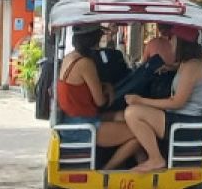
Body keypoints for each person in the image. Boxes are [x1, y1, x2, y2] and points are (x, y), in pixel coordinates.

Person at [123, 25, 202, 172]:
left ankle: (156, 159)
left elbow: (176, 102)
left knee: (133, 113)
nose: (170, 43)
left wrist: (140, 100)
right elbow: (181, 71)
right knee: (128, 117)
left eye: (172, 39)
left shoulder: (192, 67)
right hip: (180, 118)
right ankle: (142, 159)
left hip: (184, 123)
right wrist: (169, 68)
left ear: (181, 42)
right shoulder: (189, 63)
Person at [56, 24, 141, 170]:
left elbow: (79, 87)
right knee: (140, 135)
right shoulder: (86, 63)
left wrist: (104, 85)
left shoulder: (69, 58)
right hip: (83, 125)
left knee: (124, 116)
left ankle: (141, 163)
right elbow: (100, 101)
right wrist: (109, 92)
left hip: (72, 119)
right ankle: (108, 168)